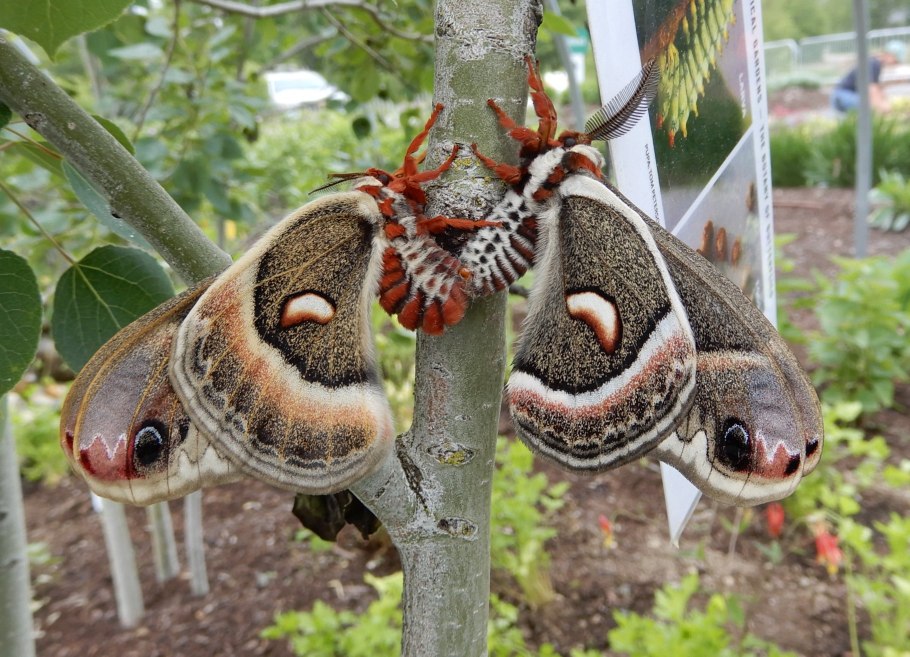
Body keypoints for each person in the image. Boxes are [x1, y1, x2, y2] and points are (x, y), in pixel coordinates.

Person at [831, 40, 905, 113]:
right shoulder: (874, 64)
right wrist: (883, 108)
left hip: (844, 95)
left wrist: (884, 100)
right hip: (843, 95)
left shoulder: (875, 63)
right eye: (895, 61)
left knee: (873, 106)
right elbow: (872, 89)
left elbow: (877, 89)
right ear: (889, 55)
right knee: (871, 108)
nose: (895, 64)